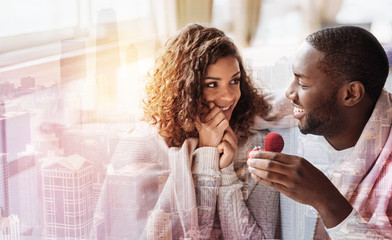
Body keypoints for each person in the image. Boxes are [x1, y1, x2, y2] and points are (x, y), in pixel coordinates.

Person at [96, 23, 280, 239]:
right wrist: (206, 156)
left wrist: (226, 171)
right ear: (185, 88)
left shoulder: (255, 144)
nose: (229, 96)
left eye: (234, 81)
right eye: (212, 84)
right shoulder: (144, 144)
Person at [247, 25, 392, 239]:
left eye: (303, 83)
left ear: (351, 94)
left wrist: (326, 199)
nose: (289, 92)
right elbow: (243, 107)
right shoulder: (288, 114)